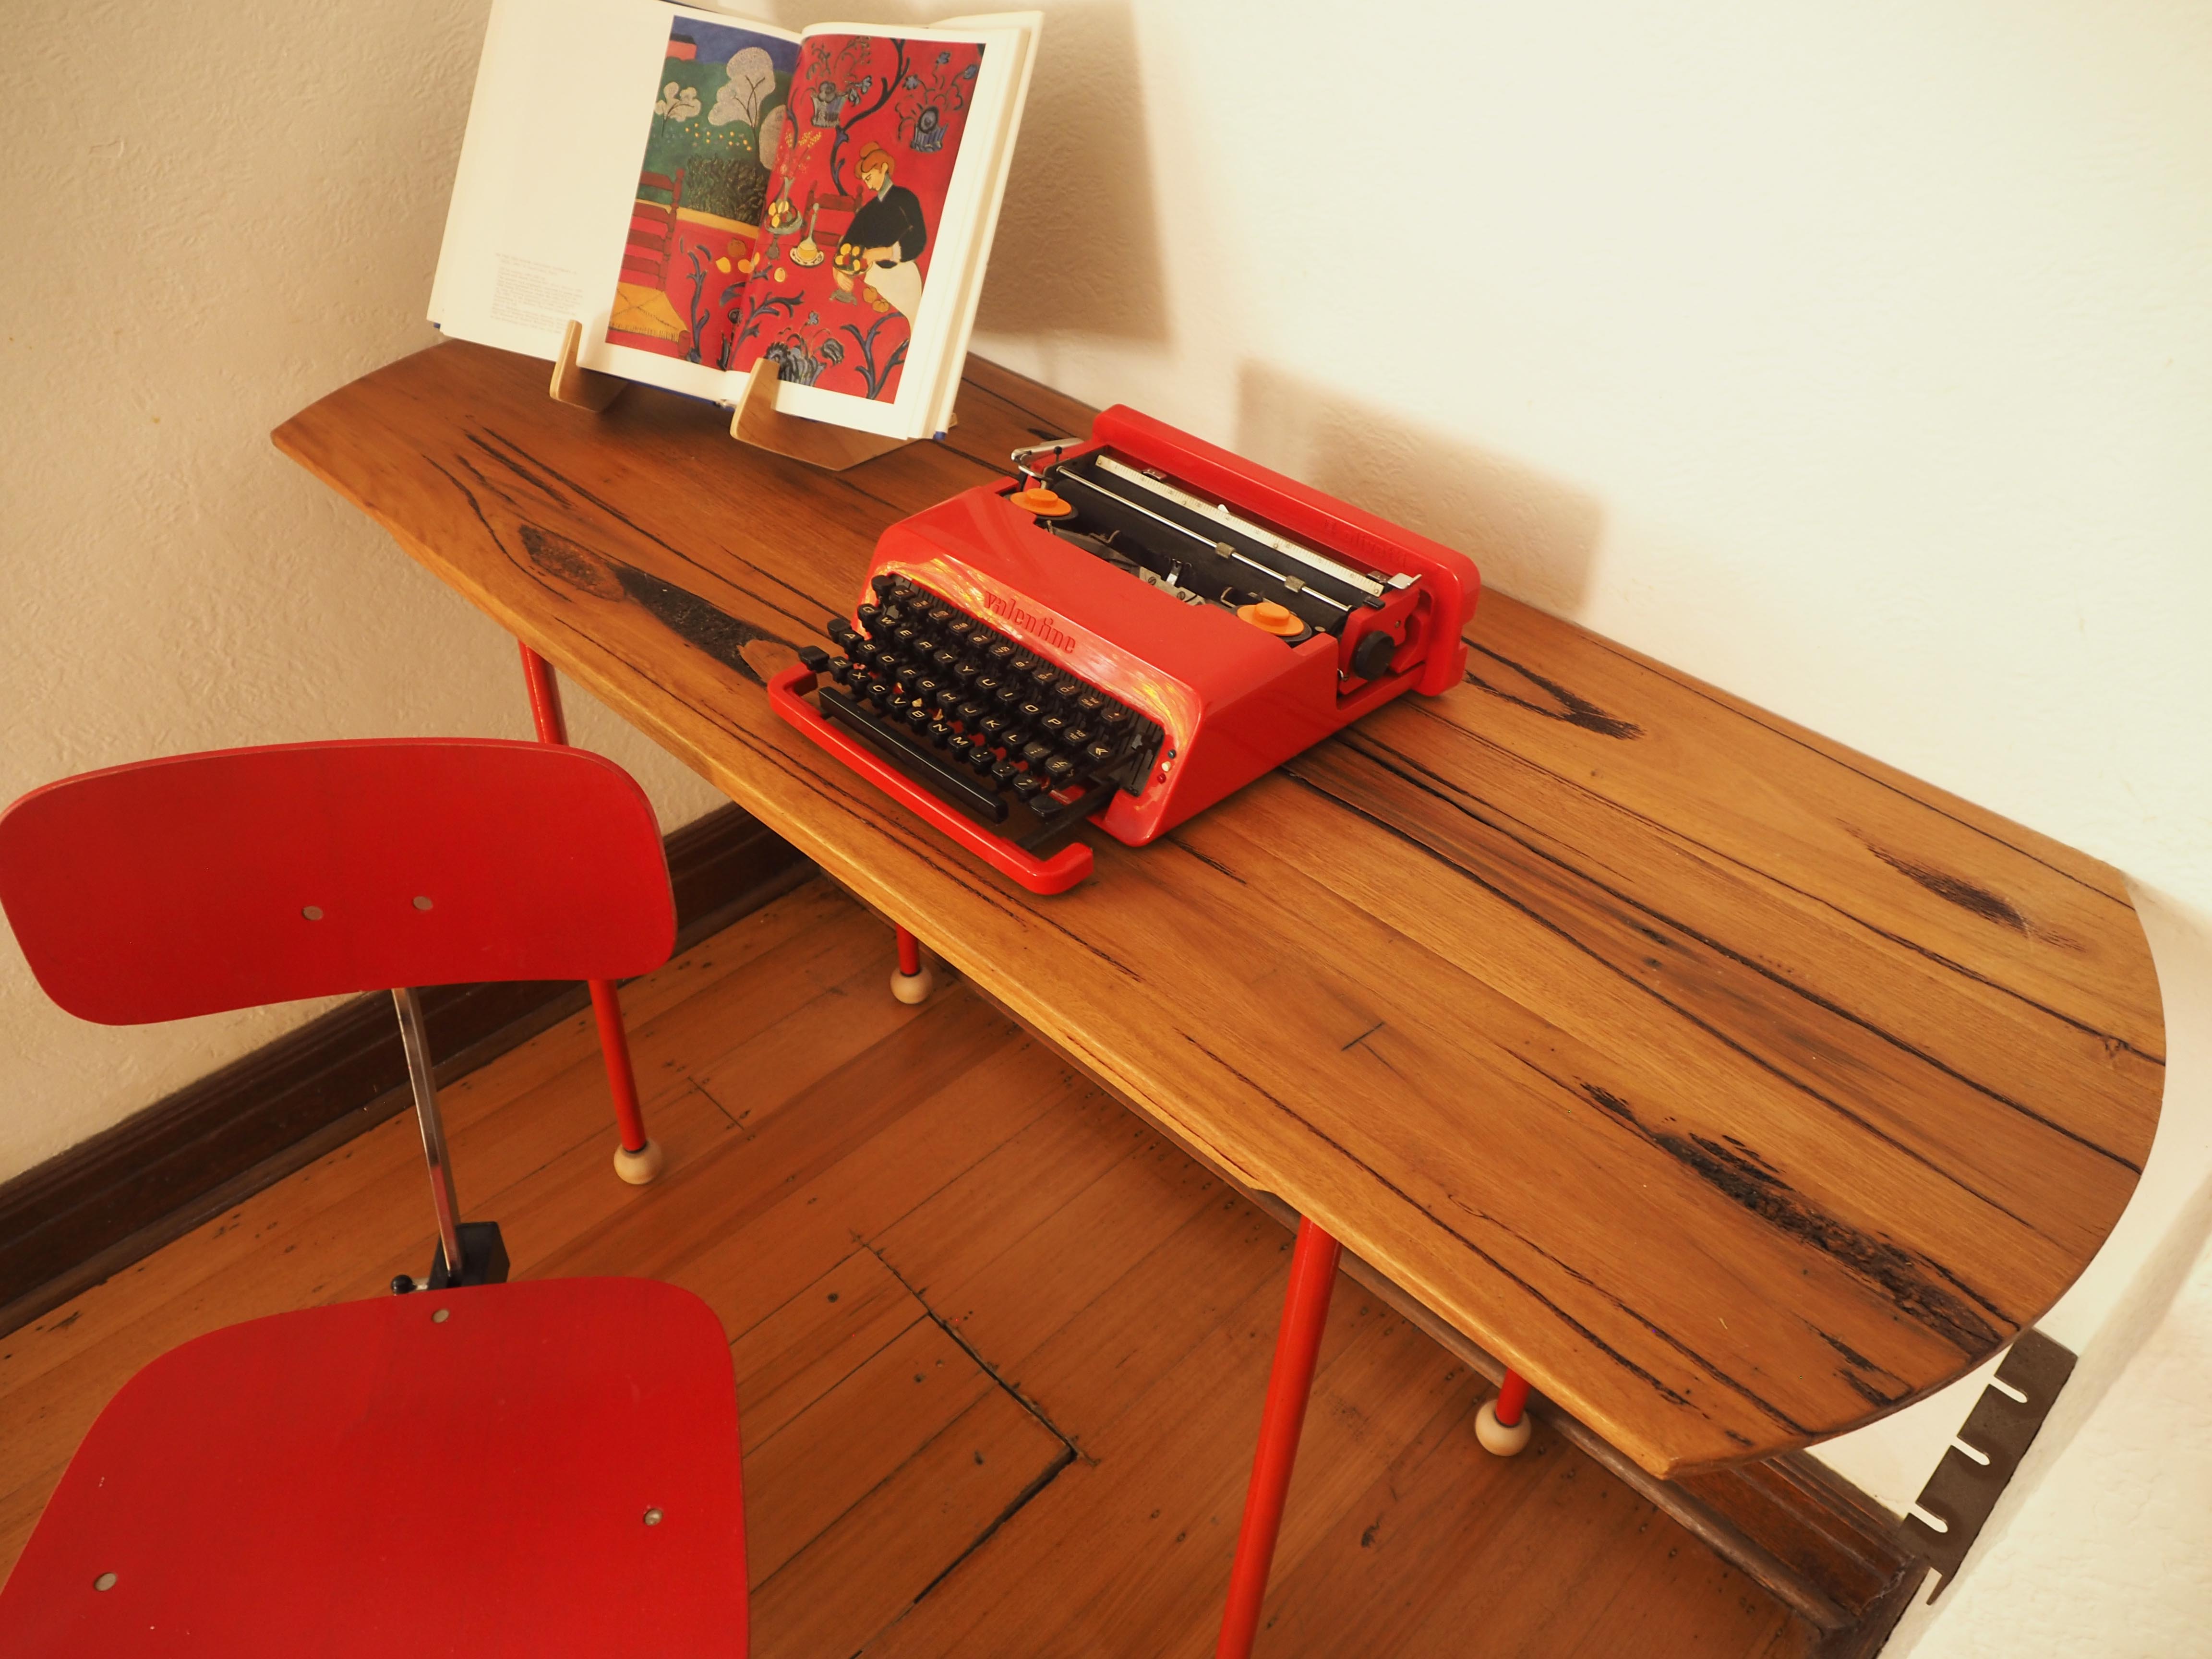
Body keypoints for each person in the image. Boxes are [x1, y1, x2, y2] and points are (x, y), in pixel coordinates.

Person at [832, 141, 926, 320]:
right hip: (876, 279)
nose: (868, 186)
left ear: (883, 168)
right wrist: (838, 271)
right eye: (865, 181)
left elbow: (919, 237)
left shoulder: (906, 199)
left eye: (869, 178)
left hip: (904, 277)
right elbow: (850, 241)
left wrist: (885, 252)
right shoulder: (870, 209)